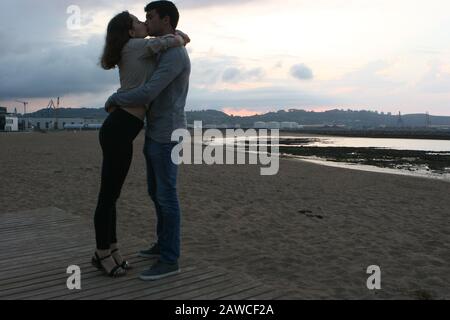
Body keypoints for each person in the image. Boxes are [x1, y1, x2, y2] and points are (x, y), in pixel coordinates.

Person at [92, 10, 189, 278]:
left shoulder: (137, 48)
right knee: (108, 196)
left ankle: (112, 249)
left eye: (146, 18)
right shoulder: (137, 46)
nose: (143, 22)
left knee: (112, 195)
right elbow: (174, 40)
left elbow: (173, 42)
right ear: (130, 31)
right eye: (137, 21)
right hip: (120, 128)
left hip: (122, 129)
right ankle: (102, 254)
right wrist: (180, 36)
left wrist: (179, 37)